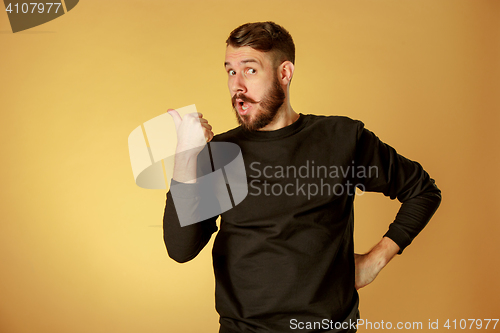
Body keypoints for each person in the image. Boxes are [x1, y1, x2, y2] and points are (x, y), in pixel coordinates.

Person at [163, 21, 441, 333]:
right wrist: (186, 157)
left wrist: (375, 261)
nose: (237, 85)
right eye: (230, 71)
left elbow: (422, 190)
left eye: (250, 70)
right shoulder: (220, 153)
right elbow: (180, 249)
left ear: (285, 73)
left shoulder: (341, 138)